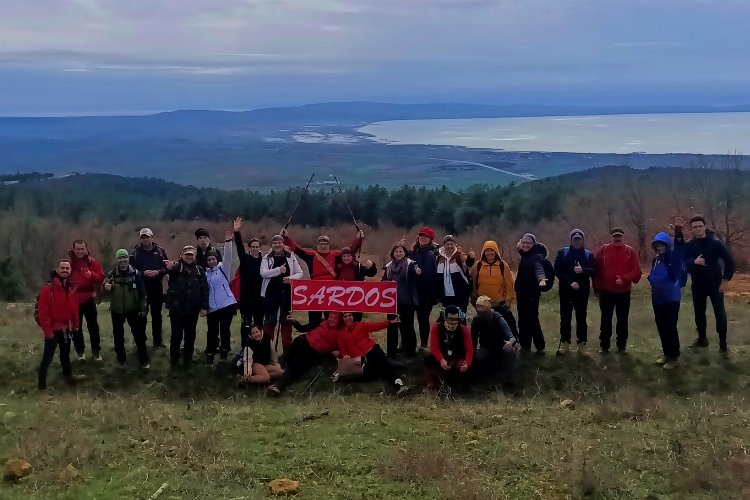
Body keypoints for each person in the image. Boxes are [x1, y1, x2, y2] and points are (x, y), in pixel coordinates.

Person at [282, 228, 364, 326]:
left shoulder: (336, 255)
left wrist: (358, 239)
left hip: (331, 291)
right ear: (317, 245)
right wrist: (286, 238)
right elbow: (297, 249)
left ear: (329, 245)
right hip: (315, 292)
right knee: (314, 319)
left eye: (325, 243)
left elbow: (351, 250)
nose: (323, 246)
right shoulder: (311, 255)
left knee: (331, 319)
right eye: (321, 243)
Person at [683, 215, 736, 353]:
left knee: (720, 314)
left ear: (705, 226)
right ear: (692, 229)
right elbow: (683, 263)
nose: (698, 229)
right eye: (695, 227)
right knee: (699, 313)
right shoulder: (689, 245)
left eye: (700, 226)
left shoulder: (715, 243)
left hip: (715, 285)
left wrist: (725, 280)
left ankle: (723, 344)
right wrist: (693, 262)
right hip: (698, 285)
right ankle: (702, 339)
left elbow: (730, 261)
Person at [266, 312, 344, 396]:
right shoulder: (322, 322)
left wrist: (332, 352)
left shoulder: (341, 332)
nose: (331, 320)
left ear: (339, 320)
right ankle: (277, 378)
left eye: (335, 318)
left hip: (315, 352)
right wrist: (295, 323)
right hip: (303, 342)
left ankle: (278, 385)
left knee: (299, 366)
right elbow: (303, 328)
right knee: (292, 356)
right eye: (330, 317)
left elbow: (340, 349)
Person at [36, 259, 85, 390]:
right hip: (54, 328)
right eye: (62, 268)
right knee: (48, 357)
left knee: (65, 354)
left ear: (70, 271)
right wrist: (48, 332)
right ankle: (41, 385)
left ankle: (68, 377)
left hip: (67, 327)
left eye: (67, 268)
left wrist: (76, 325)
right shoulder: (48, 288)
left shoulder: (72, 287)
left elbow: (75, 309)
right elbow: (43, 313)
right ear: (57, 270)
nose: (64, 271)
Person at [593, 228, 642, 354]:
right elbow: (596, 271)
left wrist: (625, 279)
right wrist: (597, 288)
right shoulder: (602, 251)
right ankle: (604, 346)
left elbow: (637, 272)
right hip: (606, 292)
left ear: (623, 237)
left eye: (619, 236)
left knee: (622, 319)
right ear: (611, 237)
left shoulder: (630, 252)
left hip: (624, 292)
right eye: (615, 236)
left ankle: (621, 346)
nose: (617, 239)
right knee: (606, 319)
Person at [334, 312, 409, 395]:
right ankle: (395, 378)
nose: (348, 318)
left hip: (373, 350)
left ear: (353, 316)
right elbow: (343, 349)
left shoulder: (360, 325)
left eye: (349, 315)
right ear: (342, 319)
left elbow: (376, 326)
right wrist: (345, 356)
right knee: (375, 369)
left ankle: (399, 385)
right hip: (361, 359)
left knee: (383, 364)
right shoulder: (340, 334)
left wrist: (390, 322)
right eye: (345, 316)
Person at [647, 223, 687, 369]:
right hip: (657, 299)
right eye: (657, 245)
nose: (660, 247)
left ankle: (674, 357)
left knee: (670, 327)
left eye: (662, 245)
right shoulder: (655, 260)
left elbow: (680, 248)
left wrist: (678, 233)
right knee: (661, 326)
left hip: (671, 299)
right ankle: (666, 353)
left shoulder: (673, 258)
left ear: (667, 245)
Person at [103, 249, 150, 369]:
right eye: (120, 258)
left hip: (133, 309)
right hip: (117, 310)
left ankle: (144, 360)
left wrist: (143, 309)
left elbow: (142, 293)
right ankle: (121, 359)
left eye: (124, 257)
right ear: (117, 260)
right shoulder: (112, 274)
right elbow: (103, 292)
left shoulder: (136, 273)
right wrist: (105, 287)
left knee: (138, 335)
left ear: (128, 259)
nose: (122, 260)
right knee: (118, 335)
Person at [165, 246, 209, 370]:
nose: (189, 257)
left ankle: (187, 361)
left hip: (192, 310)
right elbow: (170, 273)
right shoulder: (176, 268)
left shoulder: (200, 270)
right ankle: (174, 362)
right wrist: (168, 269)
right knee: (176, 336)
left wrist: (204, 306)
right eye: (187, 254)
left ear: (195, 256)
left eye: (191, 254)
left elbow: (205, 289)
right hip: (176, 310)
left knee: (190, 336)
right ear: (182, 256)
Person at [553, 229, 596, 355]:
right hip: (566, 290)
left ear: (582, 240)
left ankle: (582, 345)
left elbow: (594, 270)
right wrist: (570, 282)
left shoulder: (589, 255)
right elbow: (557, 270)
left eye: (579, 239)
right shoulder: (563, 253)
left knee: (581, 318)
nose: (577, 241)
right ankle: (565, 343)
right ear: (571, 240)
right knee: (565, 317)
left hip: (582, 292)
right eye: (575, 239)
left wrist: (583, 271)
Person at [260, 234, 304, 354]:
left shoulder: (290, 256)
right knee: (270, 321)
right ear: (272, 245)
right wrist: (278, 270)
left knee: (286, 322)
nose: (277, 245)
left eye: (279, 243)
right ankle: (267, 351)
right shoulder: (267, 258)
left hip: (286, 294)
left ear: (283, 244)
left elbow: (300, 273)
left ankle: (287, 351)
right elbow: (263, 273)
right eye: (275, 243)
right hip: (270, 293)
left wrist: (291, 278)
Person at [130, 228, 168, 348]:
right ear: (140, 239)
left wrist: (158, 272)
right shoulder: (135, 252)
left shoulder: (161, 251)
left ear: (152, 237)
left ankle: (158, 340)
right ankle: (141, 339)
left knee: (157, 315)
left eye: (148, 236)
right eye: (143, 237)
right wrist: (143, 273)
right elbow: (131, 270)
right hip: (142, 287)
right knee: (141, 315)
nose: (145, 239)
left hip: (157, 287)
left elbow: (166, 267)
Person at [382, 243, 422, 358]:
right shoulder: (389, 266)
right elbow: (383, 280)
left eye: (400, 251)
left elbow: (415, 271)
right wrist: (388, 283)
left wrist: (417, 271)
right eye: (396, 252)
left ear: (404, 253)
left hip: (407, 302)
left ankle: (410, 352)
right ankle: (391, 353)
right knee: (392, 327)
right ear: (393, 253)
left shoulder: (410, 264)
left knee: (407, 327)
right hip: (391, 303)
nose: (398, 254)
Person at [470, 240, 517, 336]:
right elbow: (473, 283)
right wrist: (474, 298)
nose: (489, 253)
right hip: (483, 305)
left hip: (500, 303)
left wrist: (508, 300)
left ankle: (512, 344)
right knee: (485, 329)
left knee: (504, 326)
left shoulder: (503, 265)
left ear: (496, 252)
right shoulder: (478, 266)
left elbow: (509, 284)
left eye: (492, 250)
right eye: (487, 251)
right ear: (483, 252)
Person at [68, 239, 105, 361]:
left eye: (82, 249)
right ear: (73, 250)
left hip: (89, 298)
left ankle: (96, 352)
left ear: (86, 249)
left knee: (93, 326)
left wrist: (92, 275)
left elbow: (101, 278)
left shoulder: (92, 262)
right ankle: (80, 352)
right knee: (75, 327)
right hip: (74, 300)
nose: (80, 251)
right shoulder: (69, 264)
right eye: (77, 249)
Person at [204, 231, 237, 364]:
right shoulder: (204, 274)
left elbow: (228, 257)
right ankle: (210, 354)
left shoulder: (223, 269)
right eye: (209, 259)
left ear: (217, 259)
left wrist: (228, 242)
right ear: (206, 261)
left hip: (227, 305)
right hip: (212, 307)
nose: (211, 261)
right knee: (212, 331)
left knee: (224, 330)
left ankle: (224, 352)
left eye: (213, 259)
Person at [515, 233, 551, 354]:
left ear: (533, 244)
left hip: (531, 295)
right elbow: (523, 252)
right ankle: (525, 345)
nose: (525, 245)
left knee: (532, 320)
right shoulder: (526, 254)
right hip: (521, 294)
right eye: (524, 242)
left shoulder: (536, 257)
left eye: (528, 243)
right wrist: (519, 248)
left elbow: (538, 268)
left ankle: (540, 346)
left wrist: (541, 279)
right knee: (522, 320)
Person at [471, 296, 520, 384]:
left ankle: (510, 381)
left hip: (501, 347)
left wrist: (510, 343)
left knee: (510, 351)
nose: (481, 313)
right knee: (477, 358)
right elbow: (473, 339)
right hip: (486, 348)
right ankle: (483, 379)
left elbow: (511, 337)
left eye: (483, 310)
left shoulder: (498, 318)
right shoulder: (476, 320)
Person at [424, 305, 474, 388]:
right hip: (443, 356)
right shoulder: (436, 328)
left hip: (458, 357)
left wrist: (467, 363)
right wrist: (441, 360)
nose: (453, 322)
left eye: (456, 319)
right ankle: (430, 381)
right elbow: (434, 347)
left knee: (464, 374)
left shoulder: (464, 329)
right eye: (451, 319)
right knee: (429, 358)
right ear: (445, 317)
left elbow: (469, 349)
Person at [409, 227, 440, 350]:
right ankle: (409, 344)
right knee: (410, 319)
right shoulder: (414, 252)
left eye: (426, 236)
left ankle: (423, 344)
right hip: (413, 292)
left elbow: (428, 275)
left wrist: (418, 273)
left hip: (425, 294)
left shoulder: (430, 254)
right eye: (421, 235)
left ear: (430, 239)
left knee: (422, 320)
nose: (422, 238)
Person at [233, 217, 264, 329]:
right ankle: (245, 346)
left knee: (259, 324)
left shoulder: (265, 261)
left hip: (260, 299)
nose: (255, 248)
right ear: (249, 248)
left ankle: (258, 345)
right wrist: (236, 232)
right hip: (246, 299)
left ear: (260, 248)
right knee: (245, 325)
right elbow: (239, 246)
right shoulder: (244, 258)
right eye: (253, 247)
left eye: (257, 246)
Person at [334, 246, 377, 321]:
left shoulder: (358, 266)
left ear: (352, 256)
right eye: (344, 256)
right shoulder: (338, 267)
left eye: (348, 256)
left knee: (356, 319)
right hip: (341, 297)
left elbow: (371, 273)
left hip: (356, 298)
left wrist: (371, 264)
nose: (346, 258)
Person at [436, 235, 472, 316]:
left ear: (455, 244)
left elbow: (467, 264)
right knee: (447, 320)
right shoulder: (438, 258)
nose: (449, 246)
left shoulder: (459, 255)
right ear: (444, 245)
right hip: (445, 296)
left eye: (451, 244)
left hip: (460, 295)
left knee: (461, 319)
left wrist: (471, 257)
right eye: (447, 244)